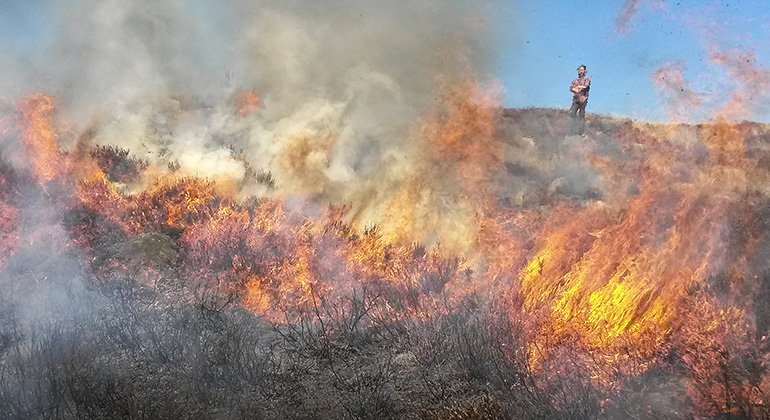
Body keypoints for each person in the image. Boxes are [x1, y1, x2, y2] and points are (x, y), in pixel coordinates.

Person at [569, 65, 590, 135]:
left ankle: (581, 132)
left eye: (582, 70)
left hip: (583, 100)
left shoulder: (587, 79)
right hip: (575, 100)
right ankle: (572, 130)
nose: (580, 71)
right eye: (579, 70)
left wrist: (578, 87)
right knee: (571, 113)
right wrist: (576, 88)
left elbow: (585, 86)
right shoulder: (575, 80)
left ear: (585, 71)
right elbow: (571, 88)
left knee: (581, 115)